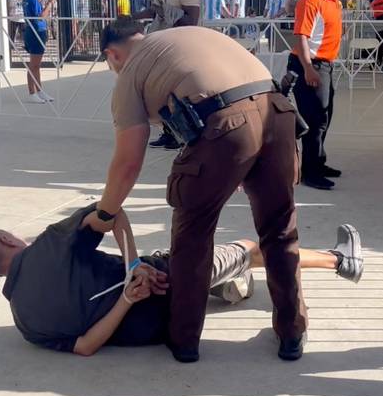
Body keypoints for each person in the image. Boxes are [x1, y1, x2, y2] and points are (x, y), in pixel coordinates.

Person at [91, 18, 307, 363]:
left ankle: (184, 339)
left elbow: (128, 161)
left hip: (226, 126)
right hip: (279, 113)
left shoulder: (131, 71)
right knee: (280, 228)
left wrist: (105, 212)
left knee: (193, 235)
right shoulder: (187, 36)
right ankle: (292, 332)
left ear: (112, 55)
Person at [0, 204, 364, 357]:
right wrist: (132, 269)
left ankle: (231, 286)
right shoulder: (49, 244)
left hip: (160, 329)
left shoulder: (25, 323)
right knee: (249, 247)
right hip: (168, 279)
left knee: (215, 272)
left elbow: (86, 346)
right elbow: (113, 214)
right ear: (8, 240)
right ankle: (338, 260)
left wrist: (126, 299)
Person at [288, 0, 368, 190]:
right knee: (314, 120)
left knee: (324, 117)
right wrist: (309, 69)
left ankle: (318, 162)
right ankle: (310, 172)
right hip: (310, 64)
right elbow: (301, 37)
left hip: (324, 66)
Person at [132, 0, 200, 151]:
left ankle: (181, 134)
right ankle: (169, 133)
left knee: (176, 93)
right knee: (161, 91)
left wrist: (168, 13)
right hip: (162, 47)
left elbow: (191, 22)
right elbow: (153, 12)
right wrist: (130, 16)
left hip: (179, 49)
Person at [19, 0, 55, 104]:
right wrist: (50, 4)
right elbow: (40, 17)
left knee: (36, 65)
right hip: (35, 32)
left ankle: (39, 90)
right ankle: (32, 92)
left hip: (37, 31)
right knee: (33, 65)